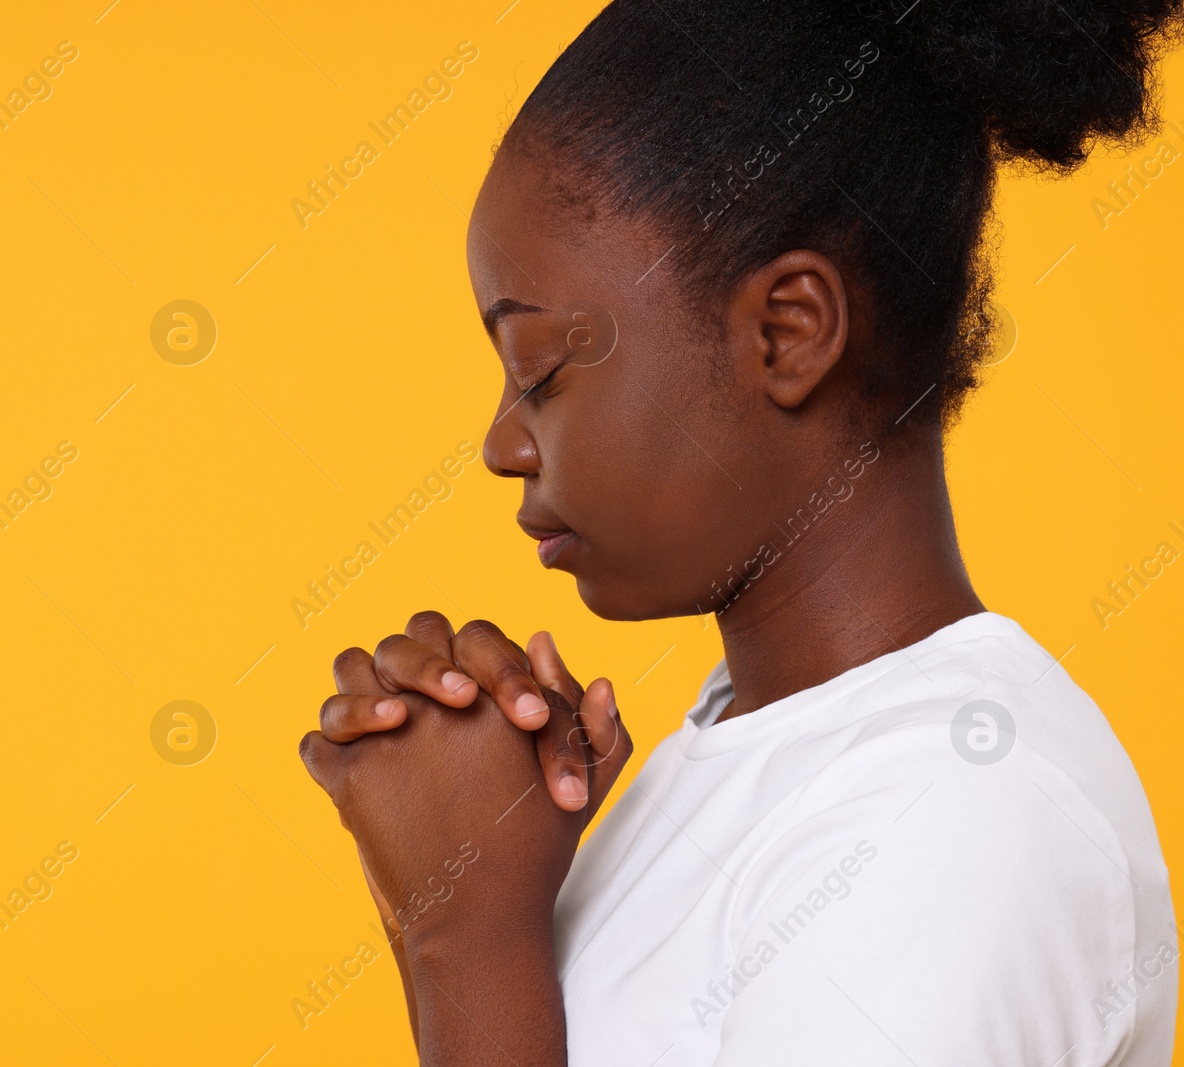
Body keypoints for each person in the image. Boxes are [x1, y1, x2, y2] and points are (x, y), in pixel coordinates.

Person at [297, 1, 1182, 1064]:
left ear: (788, 331)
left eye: (538, 370)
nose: (500, 443)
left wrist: (464, 939)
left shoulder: (953, 818)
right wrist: (462, 883)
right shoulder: (747, 761)